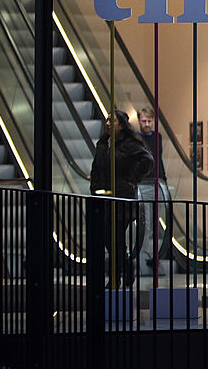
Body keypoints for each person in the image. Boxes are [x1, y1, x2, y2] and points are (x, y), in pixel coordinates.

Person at [90, 109, 154, 289]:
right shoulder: (103, 144)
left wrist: (132, 180)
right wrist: (94, 188)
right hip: (104, 197)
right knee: (110, 239)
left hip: (122, 199)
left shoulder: (129, 144)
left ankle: (116, 277)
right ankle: (126, 268)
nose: (109, 123)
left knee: (115, 237)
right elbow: (96, 167)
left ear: (122, 125)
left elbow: (147, 160)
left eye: (113, 121)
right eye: (108, 120)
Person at [136, 106, 169, 273]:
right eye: (144, 121)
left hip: (157, 183)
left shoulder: (157, 137)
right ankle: (144, 253)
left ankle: (152, 255)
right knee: (146, 223)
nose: (147, 124)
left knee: (156, 222)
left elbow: (159, 159)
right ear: (139, 121)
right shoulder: (136, 139)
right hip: (143, 183)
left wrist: (163, 179)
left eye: (149, 121)